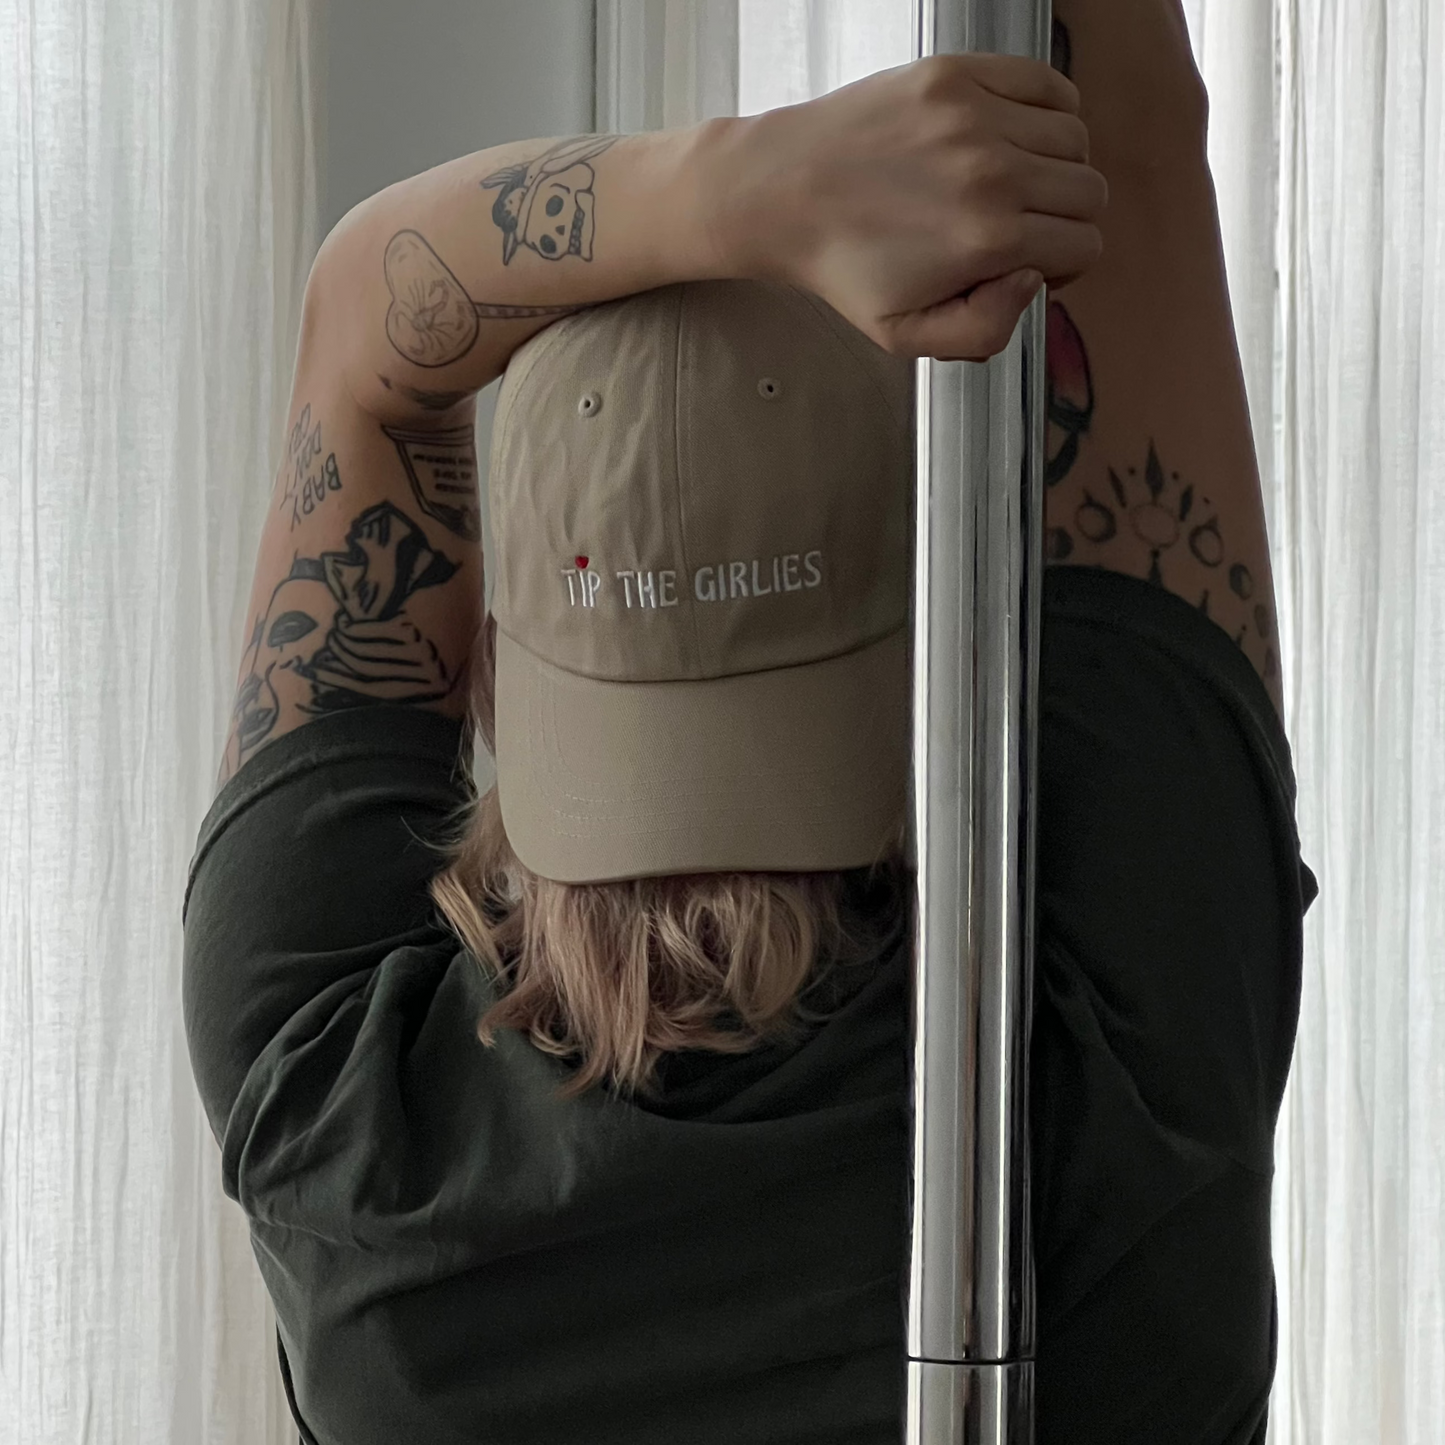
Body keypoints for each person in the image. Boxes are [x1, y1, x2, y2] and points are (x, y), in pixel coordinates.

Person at [182, 3, 1319, 1441]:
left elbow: (367, 319)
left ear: (478, 657)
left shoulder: (333, 1107)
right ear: (943, 646)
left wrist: (756, 178)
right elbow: (1136, 137)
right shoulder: (1119, 1062)